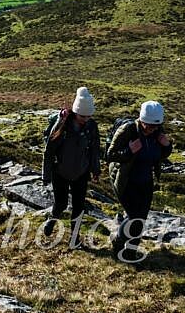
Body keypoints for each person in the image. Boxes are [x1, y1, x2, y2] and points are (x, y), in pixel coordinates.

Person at [105, 100, 173, 255]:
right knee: (134, 216)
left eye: (155, 126)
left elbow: (161, 154)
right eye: (148, 125)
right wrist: (128, 151)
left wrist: (167, 146)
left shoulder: (158, 132)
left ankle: (130, 253)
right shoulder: (128, 130)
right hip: (125, 180)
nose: (152, 129)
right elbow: (110, 155)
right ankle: (118, 240)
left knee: (140, 219)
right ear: (141, 120)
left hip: (145, 180)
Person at [41, 86, 101, 246]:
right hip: (60, 171)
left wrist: (96, 170)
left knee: (79, 207)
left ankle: (74, 239)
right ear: (75, 112)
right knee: (60, 204)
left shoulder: (92, 127)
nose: (86, 119)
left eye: (89, 116)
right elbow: (49, 151)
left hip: (81, 172)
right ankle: (52, 220)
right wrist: (46, 175)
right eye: (83, 116)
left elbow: (95, 149)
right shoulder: (63, 126)